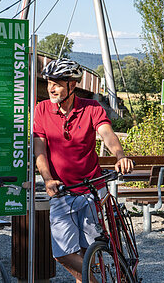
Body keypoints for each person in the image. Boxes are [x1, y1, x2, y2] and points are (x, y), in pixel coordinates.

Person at [34, 58, 134, 282]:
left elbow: (107, 134)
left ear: (72, 85)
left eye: (58, 83)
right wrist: (48, 179)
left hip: (91, 189)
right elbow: (39, 149)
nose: (51, 88)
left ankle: (106, 274)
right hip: (61, 191)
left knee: (90, 249)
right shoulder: (41, 110)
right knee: (63, 253)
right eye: (50, 82)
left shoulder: (92, 108)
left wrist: (120, 155)